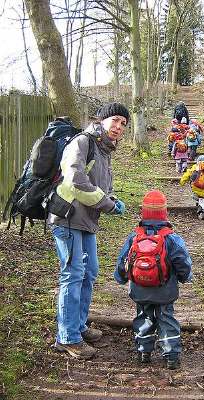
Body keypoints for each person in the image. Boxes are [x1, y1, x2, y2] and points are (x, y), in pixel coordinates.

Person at [48, 102, 130, 359]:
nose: (118, 127)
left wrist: (112, 198)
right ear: (102, 120)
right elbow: (75, 178)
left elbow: (100, 182)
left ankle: (78, 326)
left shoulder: (104, 148)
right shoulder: (82, 142)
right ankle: (68, 337)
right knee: (73, 274)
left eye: (123, 124)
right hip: (68, 217)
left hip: (86, 220)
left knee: (89, 271)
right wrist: (106, 204)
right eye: (115, 120)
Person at [114, 190, 192, 370]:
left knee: (143, 316)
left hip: (140, 289)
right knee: (166, 318)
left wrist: (120, 278)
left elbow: (123, 261)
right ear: (165, 213)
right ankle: (171, 355)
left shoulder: (134, 237)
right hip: (165, 290)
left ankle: (143, 352)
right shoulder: (171, 238)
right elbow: (182, 262)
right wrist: (185, 277)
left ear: (143, 212)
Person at [180, 154, 204, 219]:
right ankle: (203, 212)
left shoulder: (194, 167)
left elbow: (187, 175)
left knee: (198, 198)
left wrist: (182, 182)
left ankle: (201, 210)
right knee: (203, 200)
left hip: (195, 189)